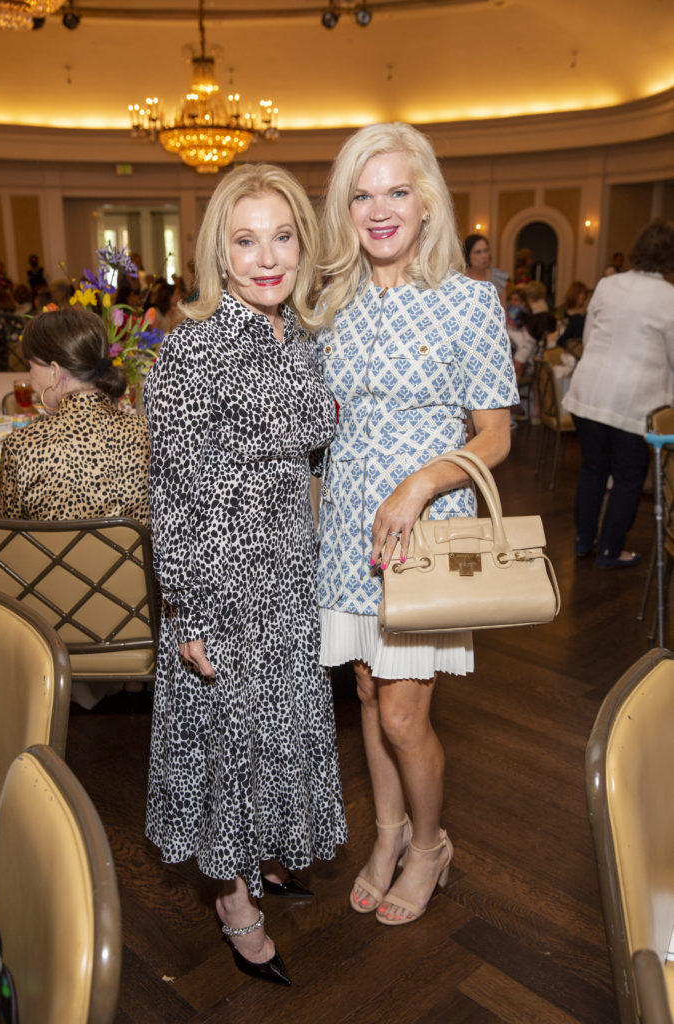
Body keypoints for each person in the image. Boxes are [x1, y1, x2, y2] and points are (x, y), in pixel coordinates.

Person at [144, 163, 347, 987]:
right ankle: (232, 905)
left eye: (282, 236)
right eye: (245, 240)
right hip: (223, 582)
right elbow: (173, 492)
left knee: (272, 731)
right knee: (228, 744)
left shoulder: (296, 339)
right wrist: (189, 611)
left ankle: (259, 858)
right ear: (219, 256)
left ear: (301, 242)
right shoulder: (193, 349)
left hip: (289, 574)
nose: (267, 257)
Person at [313, 123, 517, 926]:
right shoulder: (331, 302)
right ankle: (388, 832)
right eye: (362, 195)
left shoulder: (469, 302)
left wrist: (418, 486)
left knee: (404, 710)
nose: (379, 209)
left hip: (424, 524)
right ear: (346, 209)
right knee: (366, 692)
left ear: (427, 200)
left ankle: (429, 843)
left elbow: (495, 434)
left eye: (397, 190)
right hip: (345, 527)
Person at [563, 218, 674, 568]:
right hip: (632, 399)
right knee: (628, 477)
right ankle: (610, 550)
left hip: (590, 390)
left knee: (593, 469)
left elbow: (593, 335)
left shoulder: (609, 285)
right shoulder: (669, 298)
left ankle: (584, 541)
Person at [0, 306, 150, 525]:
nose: (30, 378)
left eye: (30, 367)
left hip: (48, 560)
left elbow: (9, 543)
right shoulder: (146, 433)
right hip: (133, 560)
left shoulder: (22, 446)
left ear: (54, 372)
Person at [463, 232, 508, 298]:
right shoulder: (460, 278)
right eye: (478, 252)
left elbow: (502, 307)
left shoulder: (497, 277)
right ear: (468, 255)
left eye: (486, 250)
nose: (484, 256)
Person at [557, 280, 588, 349]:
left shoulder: (585, 314)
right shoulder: (562, 310)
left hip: (575, 346)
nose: (583, 296)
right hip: (562, 339)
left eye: (584, 293)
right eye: (579, 293)